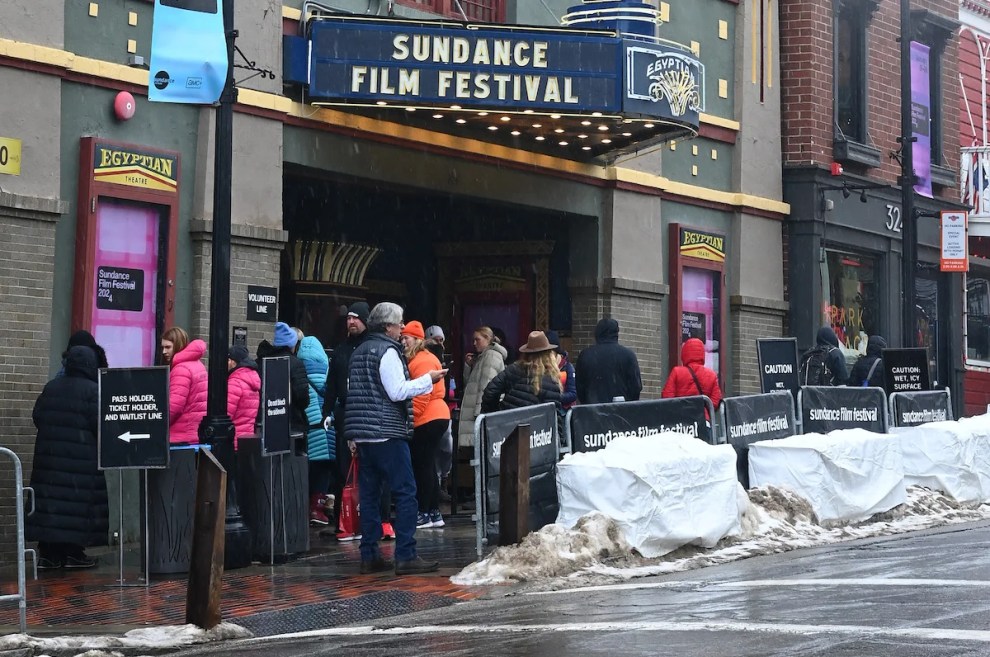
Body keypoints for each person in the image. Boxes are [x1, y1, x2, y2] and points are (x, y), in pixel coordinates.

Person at [345, 302, 446, 575]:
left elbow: (355, 394)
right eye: (399, 323)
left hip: (364, 434)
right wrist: (429, 379)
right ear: (388, 325)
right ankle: (406, 554)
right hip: (387, 433)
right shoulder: (387, 351)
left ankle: (370, 555)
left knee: (369, 496)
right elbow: (397, 391)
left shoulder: (360, 351)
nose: (402, 328)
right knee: (405, 493)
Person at [27, 346, 108, 569]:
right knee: (75, 507)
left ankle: (48, 555)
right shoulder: (94, 391)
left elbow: (38, 417)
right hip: (81, 462)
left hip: (49, 461)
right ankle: (73, 554)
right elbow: (100, 426)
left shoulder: (51, 387)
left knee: (50, 506)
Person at [322, 301, 370, 540]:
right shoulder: (341, 349)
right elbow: (332, 384)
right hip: (345, 414)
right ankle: (345, 522)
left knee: (368, 469)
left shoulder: (371, 346)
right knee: (344, 470)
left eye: (356, 318)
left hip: (367, 414)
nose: (351, 322)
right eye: (348, 318)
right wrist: (326, 410)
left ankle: (370, 521)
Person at [400, 321, 452, 530]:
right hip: (436, 415)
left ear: (418, 340)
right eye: (402, 338)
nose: (403, 341)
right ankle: (432, 511)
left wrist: (411, 419)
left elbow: (422, 394)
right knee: (428, 465)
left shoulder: (421, 360)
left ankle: (423, 512)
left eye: (407, 338)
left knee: (422, 466)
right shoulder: (426, 357)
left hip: (428, 417)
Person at [297, 335, 337, 526]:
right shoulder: (328, 371)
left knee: (307, 469)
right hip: (325, 427)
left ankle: (303, 508)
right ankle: (317, 509)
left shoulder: (298, 370)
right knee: (323, 470)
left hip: (307, 428)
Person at [481, 331, 564, 413]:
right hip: (535, 425)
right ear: (549, 355)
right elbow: (554, 415)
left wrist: (495, 414)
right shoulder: (551, 381)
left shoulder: (513, 369)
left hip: (507, 422)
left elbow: (490, 391)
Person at [662, 337, 723, 438]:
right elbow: (715, 401)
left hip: (681, 424)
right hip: (703, 422)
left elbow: (667, 397)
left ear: (684, 353)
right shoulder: (711, 375)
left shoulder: (677, 372)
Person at [458, 326, 507, 448]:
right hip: (476, 413)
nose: (474, 343)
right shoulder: (483, 357)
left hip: (479, 415)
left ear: (487, 338)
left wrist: (481, 414)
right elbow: (471, 386)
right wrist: (469, 366)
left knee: (478, 452)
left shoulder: (491, 356)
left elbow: (486, 386)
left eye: (477, 339)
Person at [574, 317, 642, 404]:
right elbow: (636, 386)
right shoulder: (628, 355)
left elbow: (580, 387)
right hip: (621, 410)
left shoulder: (585, 355)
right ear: (616, 333)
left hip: (593, 410)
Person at [162, 326, 207, 444]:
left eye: (168, 347)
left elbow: (174, 407)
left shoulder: (181, 369)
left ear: (178, 345)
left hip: (179, 436)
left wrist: (156, 425)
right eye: (163, 347)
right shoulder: (198, 365)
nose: (164, 352)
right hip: (193, 434)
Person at [269, 321, 311, 437]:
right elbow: (302, 396)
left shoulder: (265, 361)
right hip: (293, 420)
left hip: (270, 419)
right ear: (292, 344)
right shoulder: (296, 364)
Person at [226, 344, 261, 450]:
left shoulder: (235, 383)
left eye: (228, 360)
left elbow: (226, 415)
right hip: (247, 439)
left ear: (233, 362)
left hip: (233, 440)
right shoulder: (252, 381)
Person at [545, 330, 577, 411]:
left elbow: (573, 394)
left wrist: (553, 397)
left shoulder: (568, 367)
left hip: (563, 411)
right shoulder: (541, 367)